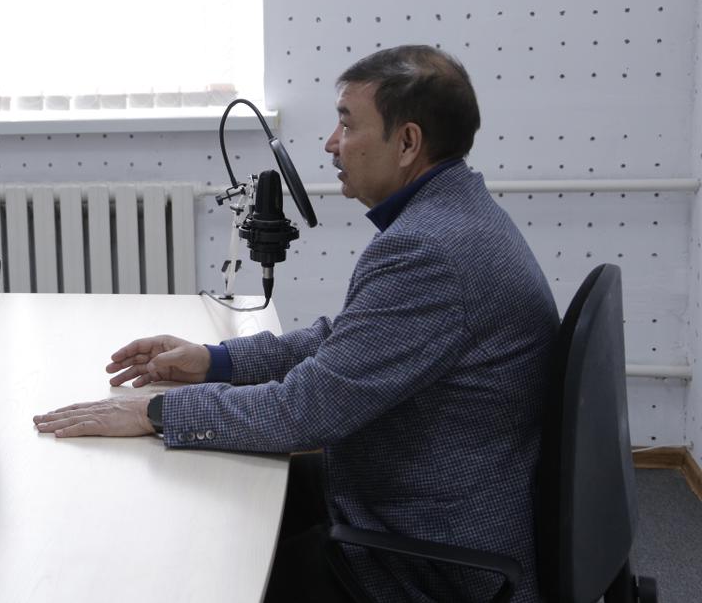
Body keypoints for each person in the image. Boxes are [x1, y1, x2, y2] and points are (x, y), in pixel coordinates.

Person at [34, 45, 559, 603]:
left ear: (407, 143)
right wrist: (216, 361)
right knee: (216, 504)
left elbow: (302, 412)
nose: (331, 143)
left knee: (204, 567)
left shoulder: (429, 251)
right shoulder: (455, 214)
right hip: (410, 504)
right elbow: (344, 340)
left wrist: (154, 412)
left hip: (424, 566)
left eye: (347, 124)